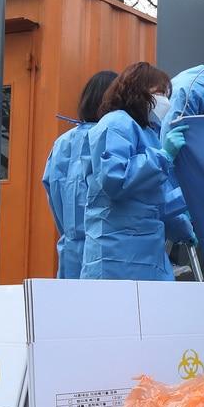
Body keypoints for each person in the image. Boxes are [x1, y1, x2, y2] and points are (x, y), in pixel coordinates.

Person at [81, 62, 195, 281]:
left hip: (145, 252)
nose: (165, 101)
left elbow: (154, 199)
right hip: (116, 253)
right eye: (159, 92)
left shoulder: (148, 132)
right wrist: (163, 156)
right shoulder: (115, 124)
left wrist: (184, 220)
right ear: (137, 90)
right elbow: (115, 179)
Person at [42, 69, 117, 278]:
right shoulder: (114, 138)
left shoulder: (63, 142)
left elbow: (52, 190)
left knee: (72, 307)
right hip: (108, 249)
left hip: (70, 247)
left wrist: (69, 230)